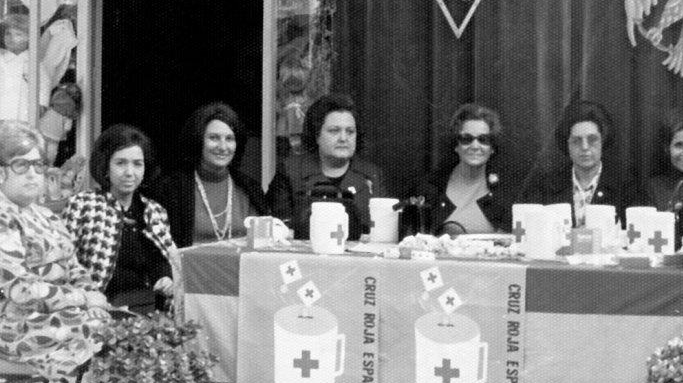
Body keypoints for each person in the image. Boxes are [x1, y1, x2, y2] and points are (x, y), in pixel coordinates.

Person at [0, 120, 110, 381]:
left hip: (58, 316)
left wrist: (91, 295)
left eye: (37, 165)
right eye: (20, 165)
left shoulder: (48, 216)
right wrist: (83, 301)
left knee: (118, 325)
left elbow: (74, 267)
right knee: (104, 330)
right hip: (12, 324)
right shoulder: (3, 218)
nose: (32, 173)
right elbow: (21, 289)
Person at [63, 124, 178, 313]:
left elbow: (164, 262)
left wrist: (166, 278)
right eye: (121, 163)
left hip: (150, 309)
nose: (129, 172)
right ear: (106, 166)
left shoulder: (155, 211)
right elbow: (66, 263)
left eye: (137, 164)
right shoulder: (82, 205)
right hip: (100, 310)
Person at [151, 102, 269, 247]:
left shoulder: (251, 189)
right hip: (188, 269)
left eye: (229, 139)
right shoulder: (170, 189)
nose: (223, 147)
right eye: (214, 138)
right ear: (198, 140)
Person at [268, 93, 383, 240]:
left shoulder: (372, 174)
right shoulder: (290, 171)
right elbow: (278, 229)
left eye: (350, 131)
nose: (343, 138)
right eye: (334, 131)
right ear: (316, 135)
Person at [518, 99, 645, 226]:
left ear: (603, 141)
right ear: (566, 144)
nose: (585, 147)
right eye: (576, 141)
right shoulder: (546, 185)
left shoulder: (628, 185)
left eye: (592, 139)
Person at [410, 103, 509, 234]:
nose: (475, 146)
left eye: (483, 139)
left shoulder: (507, 191)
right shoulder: (430, 188)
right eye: (466, 139)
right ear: (456, 145)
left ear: (492, 148)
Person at [38, 81, 82, 165]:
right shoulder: (64, 115)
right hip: (52, 138)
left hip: (44, 135)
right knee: (49, 154)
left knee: (44, 153)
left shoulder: (50, 110)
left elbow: (67, 128)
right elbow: (67, 128)